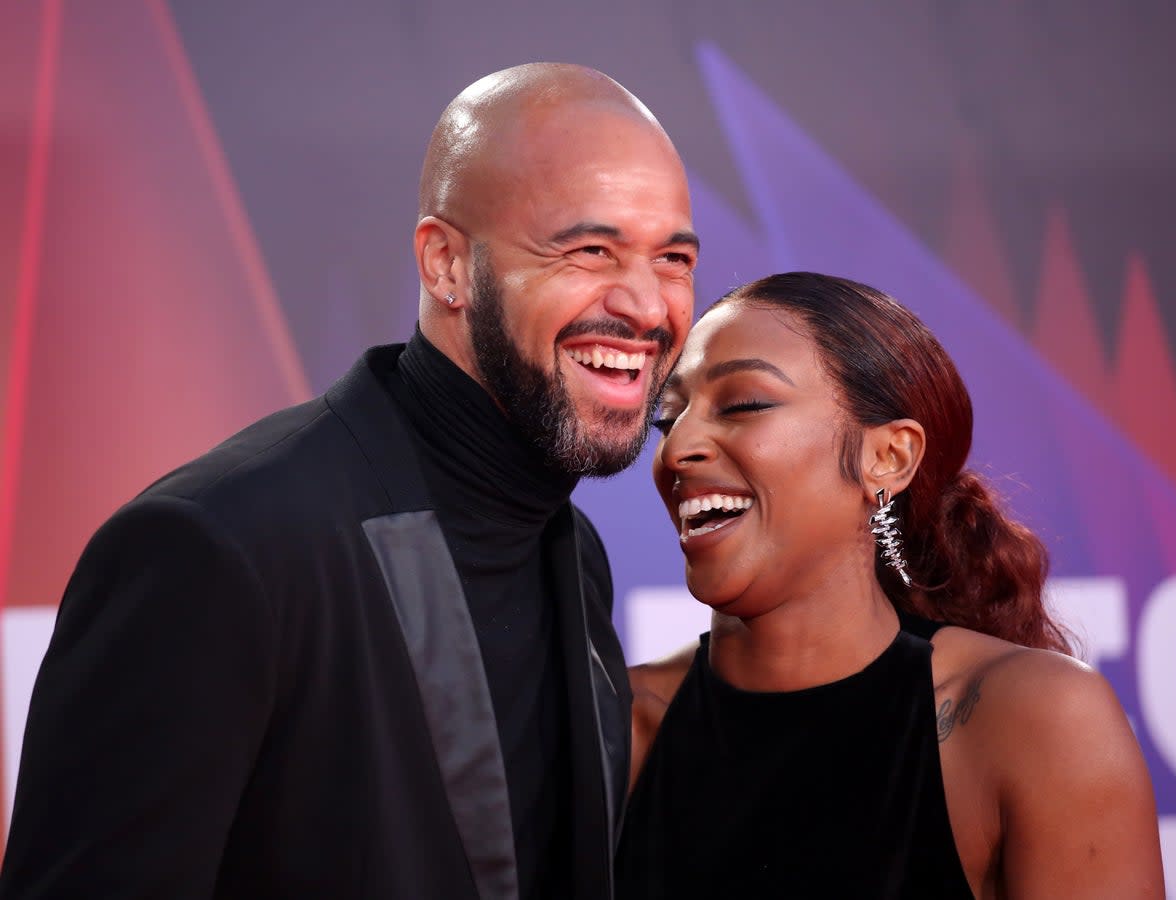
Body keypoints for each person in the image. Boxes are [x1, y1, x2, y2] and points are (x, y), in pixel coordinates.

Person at [0, 63, 698, 899]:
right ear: (445, 264)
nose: (649, 307)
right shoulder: (219, 549)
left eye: (673, 258)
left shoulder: (572, 553)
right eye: (590, 250)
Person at [616, 273, 1164, 899]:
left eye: (743, 404)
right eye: (666, 418)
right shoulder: (613, 728)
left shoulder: (1031, 720)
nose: (677, 447)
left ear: (890, 457)